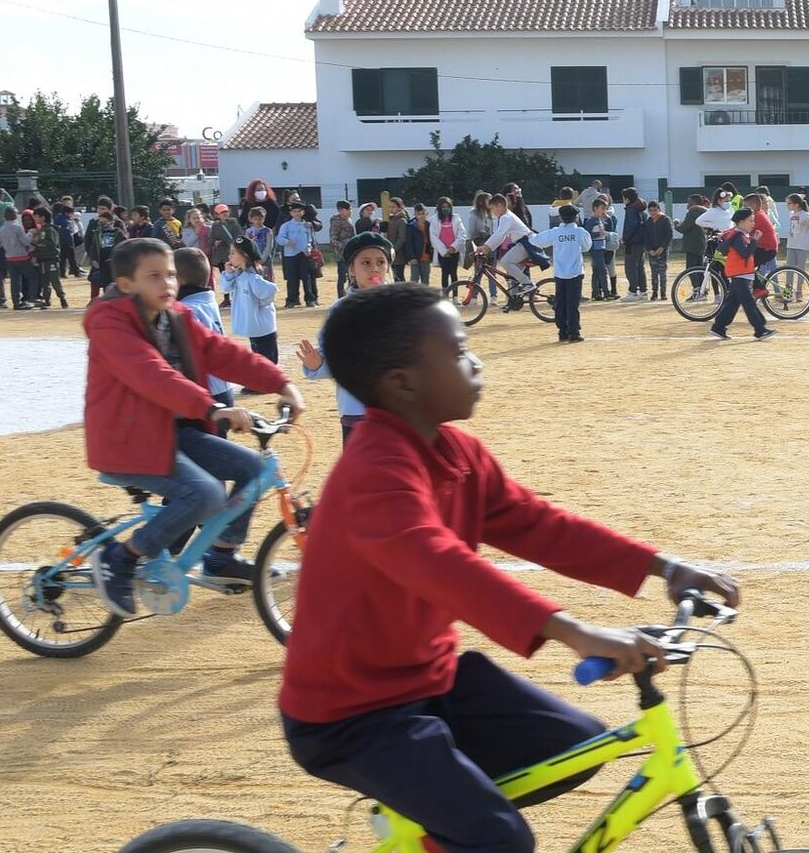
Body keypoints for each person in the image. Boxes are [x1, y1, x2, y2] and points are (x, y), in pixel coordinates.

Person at [278, 282, 741, 853]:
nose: (475, 362)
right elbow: (439, 564)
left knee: (579, 749)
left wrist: (664, 567)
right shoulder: (374, 474)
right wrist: (574, 630)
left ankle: (430, 821)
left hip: (431, 681)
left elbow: (539, 525)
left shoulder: (456, 454)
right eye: (458, 351)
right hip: (352, 714)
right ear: (403, 383)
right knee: (499, 840)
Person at [84, 237, 306, 616]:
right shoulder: (110, 323)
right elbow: (149, 374)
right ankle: (121, 558)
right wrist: (213, 407)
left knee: (253, 470)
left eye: (170, 274)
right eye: (153, 276)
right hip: (128, 441)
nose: (167, 283)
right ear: (125, 285)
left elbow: (222, 352)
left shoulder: (177, 316)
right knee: (205, 494)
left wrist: (282, 384)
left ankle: (220, 558)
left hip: (175, 434)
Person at [298, 232, 399, 440]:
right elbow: (334, 360)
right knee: (360, 470)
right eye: (366, 262)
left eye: (381, 262)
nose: (374, 268)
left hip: (397, 410)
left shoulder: (401, 307)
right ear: (351, 269)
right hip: (356, 410)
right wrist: (317, 364)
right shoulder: (339, 311)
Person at [709, 204, 779, 342]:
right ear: (741, 222)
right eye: (750, 220)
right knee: (749, 303)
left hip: (740, 275)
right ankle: (760, 329)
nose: (753, 223)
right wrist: (755, 241)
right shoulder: (738, 236)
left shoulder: (739, 234)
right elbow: (745, 254)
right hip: (740, 275)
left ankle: (718, 327)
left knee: (732, 303)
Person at [175, 250, 234, 409]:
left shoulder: (188, 310)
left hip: (207, 391)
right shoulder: (206, 299)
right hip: (222, 386)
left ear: (179, 280)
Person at [527, 206, 591, 343]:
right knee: (572, 303)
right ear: (576, 217)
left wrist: (528, 233)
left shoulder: (555, 232)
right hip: (575, 272)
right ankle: (573, 332)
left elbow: (536, 241)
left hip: (560, 273)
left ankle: (562, 331)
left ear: (561, 217)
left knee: (560, 302)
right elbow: (587, 247)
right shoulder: (580, 232)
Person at [220, 237, 280, 363]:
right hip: (254, 329)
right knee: (259, 362)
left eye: (233, 253)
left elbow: (270, 292)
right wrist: (229, 273)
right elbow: (225, 288)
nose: (229, 256)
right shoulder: (238, 275)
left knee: (268, 364)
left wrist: (258, 306)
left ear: (244, 255)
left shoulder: (252, 278)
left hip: (263, 330)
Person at [581, 199, 616, 301]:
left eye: (604, 208)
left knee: (596, 271)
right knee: (602, 270)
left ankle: (595, 293)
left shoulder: (599, 219)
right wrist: (599, 234)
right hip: (595, 248)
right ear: (595, 208)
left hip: (600, 247)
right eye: (602, 208)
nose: (604, 210)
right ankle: (606, 293)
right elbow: (587, 235)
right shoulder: (591, 221)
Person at [619, 188, 650, 300]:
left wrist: (625, 239)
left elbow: (631, 226)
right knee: (640, 267)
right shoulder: (641, 209)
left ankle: (633, 292)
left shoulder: (631, 209)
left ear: (627, 198)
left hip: (632, 242)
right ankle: (643, 291)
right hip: (641, 242)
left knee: (630, 268)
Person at [644, 202, 673, 302]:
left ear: (659, 210)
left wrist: (663, 247)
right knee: (654, 273)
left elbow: (669, 235)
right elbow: (645, 238)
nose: (653, 213)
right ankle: (654, 292)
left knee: (662, 272)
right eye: (651, 210)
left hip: (662, 251)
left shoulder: (665, 220)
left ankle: (663, 292)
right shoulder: (647, 222)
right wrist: (649, 249)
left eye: (655, 210)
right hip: (652, 251)